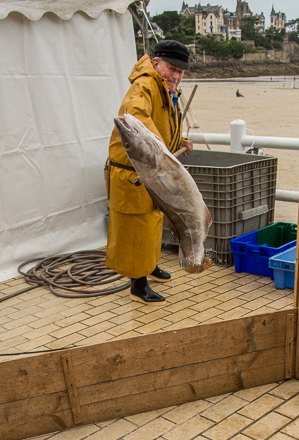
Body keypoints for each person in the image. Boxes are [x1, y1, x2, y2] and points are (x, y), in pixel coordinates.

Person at [105, 40, 196, 303]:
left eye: (180, 71)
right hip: (134, 171)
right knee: (137, 228)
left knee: (154, 223)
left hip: (155, 170)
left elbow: (162, 126)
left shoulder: (166, 89)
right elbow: (137, 119)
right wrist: (163, 154)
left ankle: (150, 265)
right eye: (172, 69)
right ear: (156, 64)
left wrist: (179, 143)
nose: (176, 76)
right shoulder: (144, 85)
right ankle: (138, 283)